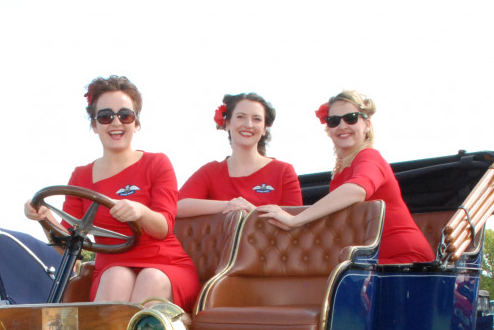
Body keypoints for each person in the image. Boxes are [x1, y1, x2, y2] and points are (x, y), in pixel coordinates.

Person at [24, 75, 199, 310]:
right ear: (95, 126)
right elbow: (67, 244)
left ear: (136, 123)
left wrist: (140, 211)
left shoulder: (156, 163)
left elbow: (162, 227)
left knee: (150, 278)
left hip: (165, 266)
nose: (116, 123)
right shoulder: (81, 176)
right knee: (116, 275)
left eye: (125, 115)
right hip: (111, 268)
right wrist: (43, 216)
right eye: (106, 117)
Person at [256, 89, 433, 264]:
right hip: (368, 258)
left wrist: (295, 220)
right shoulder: (341, 170)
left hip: (405, 261)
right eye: (333, 121)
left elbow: (357, 190)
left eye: (351, 118)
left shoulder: (369, 156)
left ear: (367, 124)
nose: (342, 126)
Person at [176, 92, 303, 217]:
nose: (248, 125)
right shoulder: (211, 171)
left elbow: (295, 222)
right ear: (227, 123)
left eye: (256, 119)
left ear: (264, 128)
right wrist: (228, 205)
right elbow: (176, 206)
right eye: (240, 117)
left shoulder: (283, 171)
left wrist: (253, 213)